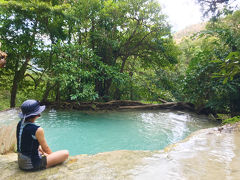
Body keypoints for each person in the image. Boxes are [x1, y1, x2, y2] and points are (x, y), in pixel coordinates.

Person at [16, 99, 69, 171]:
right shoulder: (37, 129)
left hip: (21, 160)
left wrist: (43, 153)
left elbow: (26, 142)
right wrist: (52, 157)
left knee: (38, 144)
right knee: (65, 153)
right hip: (31, 164)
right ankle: (42, 163)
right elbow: (46, 148)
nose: (40, 115)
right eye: (38, 113)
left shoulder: (20, 123)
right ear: (36, 114)